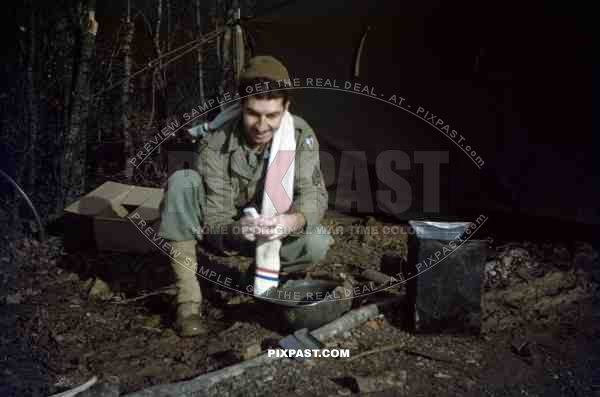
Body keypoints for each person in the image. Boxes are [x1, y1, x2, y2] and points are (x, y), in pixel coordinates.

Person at [158, 55, 332, 337]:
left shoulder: (299, 136)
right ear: (241, 106)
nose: (262, 126)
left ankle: (257, 277)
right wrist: (237, 229)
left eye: (272, 116)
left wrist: (291, 222)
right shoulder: (216, 140)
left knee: (316, 241)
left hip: (275, 231)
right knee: (182, 183)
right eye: (253, 114)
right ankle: (188, 302)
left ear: (286, 107)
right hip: (230, 231)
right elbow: (215, 218)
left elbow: (313, 195)